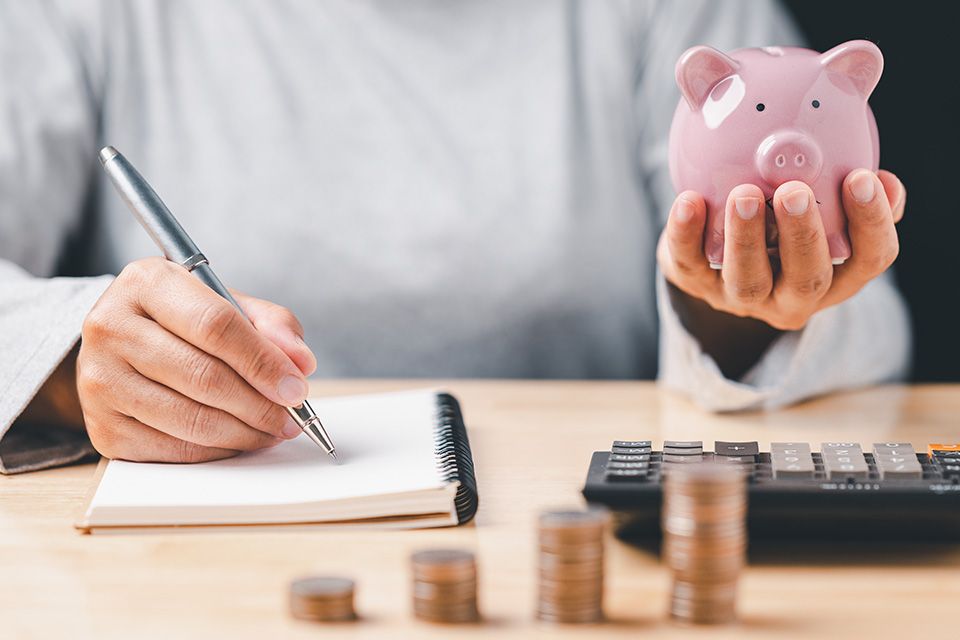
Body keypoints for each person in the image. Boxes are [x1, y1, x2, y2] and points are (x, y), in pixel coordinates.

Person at [0, 0, 909, 473]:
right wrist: (75, 356)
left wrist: (742, 311)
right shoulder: (78, 15)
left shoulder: (673, 15)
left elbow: (862, 327)